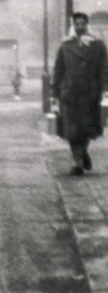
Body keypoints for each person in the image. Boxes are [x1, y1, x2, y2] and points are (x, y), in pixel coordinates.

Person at [52, 12, 105, 175]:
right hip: (69, 94)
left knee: (87, 128)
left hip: (90, 93)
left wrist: (104, 89)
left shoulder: (98, 46)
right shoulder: (65, 46)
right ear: (73, 26)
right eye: (77, 24)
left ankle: (82, 151)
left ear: (87, 25)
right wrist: (55, 93)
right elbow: (58, 70)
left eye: (83, 24)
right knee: (71, 130)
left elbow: (104, 69)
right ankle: (77, 163)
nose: (80, 27)